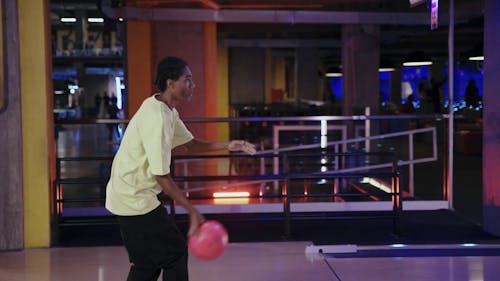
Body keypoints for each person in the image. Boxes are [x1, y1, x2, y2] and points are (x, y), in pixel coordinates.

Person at [105, 56, 256, 281]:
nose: (192, 85)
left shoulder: (164, 109)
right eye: (188, 80)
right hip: (134, 198)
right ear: (170, 83)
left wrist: (230, 145)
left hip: (125, 194)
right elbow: (161, 176)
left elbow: (191, 144)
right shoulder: (157, 118)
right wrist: (192, 210)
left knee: (147, 263)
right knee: (174, 254)